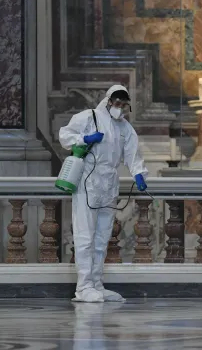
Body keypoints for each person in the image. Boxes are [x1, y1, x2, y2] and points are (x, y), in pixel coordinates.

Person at [59, 84, 148, 303]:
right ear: (108, 101)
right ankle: (84, 286)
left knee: (102, 237)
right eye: (117, 103)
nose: (119, 108)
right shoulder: (89, 117)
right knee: (85, 235)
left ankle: (97, 284)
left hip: (109, 183)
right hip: (88, 182)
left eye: (123, 105)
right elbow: (65, 134)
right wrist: (84, 140)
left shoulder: (124, 128)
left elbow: (132, 153)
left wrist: (138, 173)